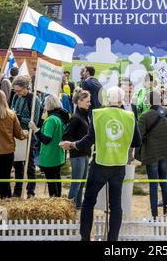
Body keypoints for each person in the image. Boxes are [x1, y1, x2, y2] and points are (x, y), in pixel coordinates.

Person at [60, 86, 141, 241]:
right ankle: (112, 240)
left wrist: (72, 144)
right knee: (116, 206)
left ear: (107, 99)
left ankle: (85, 238)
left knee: (88, 202)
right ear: (121, 100)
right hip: (119, 165)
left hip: (100, 164)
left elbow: (88, 140)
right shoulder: (130, 116)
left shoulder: (98, 114)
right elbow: (137, 141)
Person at [138, 89, 167, 218]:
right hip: (166, 150)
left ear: (148, 101)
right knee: (164, 180)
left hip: (152, 153)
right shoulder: (166, 111)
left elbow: (139, 136)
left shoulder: (144, 116)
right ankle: (166, 212)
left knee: (153, 184)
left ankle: (154, 216)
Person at [0, 90, 26, 221]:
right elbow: (19, 134)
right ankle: (5, 214)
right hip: (7, 154)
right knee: (5, 183)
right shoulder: (11, 115)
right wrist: (28, 134)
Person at [29, 94, 69, 198]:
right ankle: (58, 201)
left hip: (50, 156)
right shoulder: (61, 116)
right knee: (57, 179)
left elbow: (46, 139)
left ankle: (54, 201)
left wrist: (35, 129)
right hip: (58, 154)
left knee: (52, 182)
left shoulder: (51, 119)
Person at [10, 75, 41, 198]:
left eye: (18, 90)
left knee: (30, 164)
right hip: (17, 134)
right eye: (15, 90)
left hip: (28, 134)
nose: (17, 93)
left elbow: (35, 121)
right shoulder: (15, 97)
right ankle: (17, 191)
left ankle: (31, 191)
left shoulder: (34, 100)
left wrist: (19, 118)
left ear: (26, 87)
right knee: (17, 163)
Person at [62, 88, 91, 207]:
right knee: (76, 184)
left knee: (81, 184)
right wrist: (76, 144)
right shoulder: (75, 117)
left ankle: (78, 206)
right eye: (87, 101)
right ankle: (69, 209)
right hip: (77, 156)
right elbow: (66, 136)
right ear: (79, 101)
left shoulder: (84, 116)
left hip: (84, 154)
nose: (89, 103)